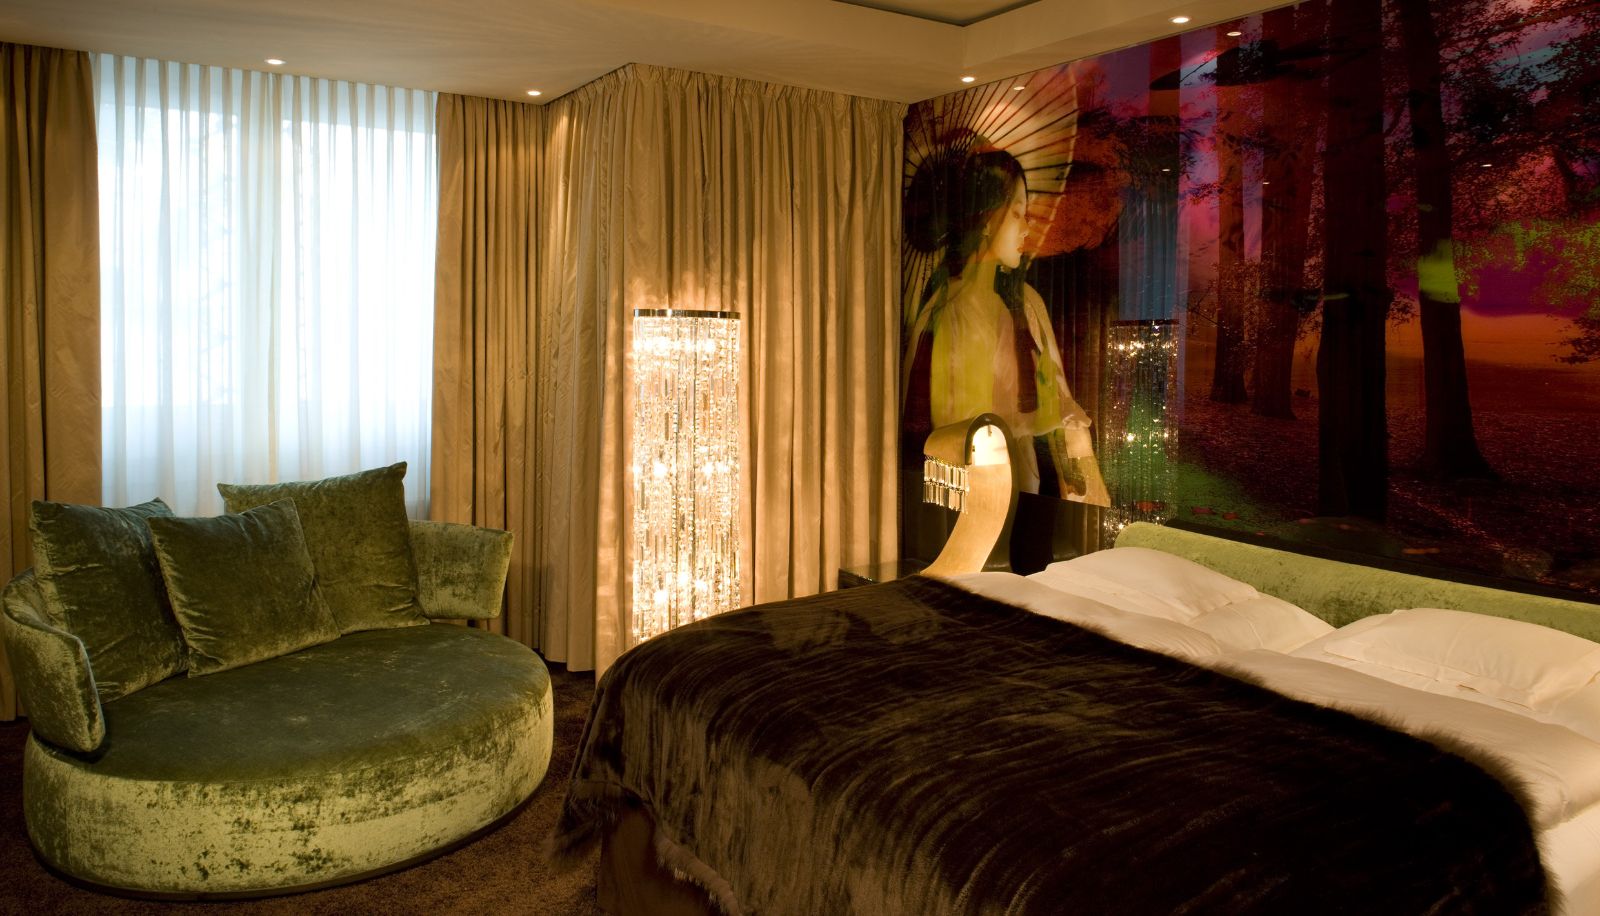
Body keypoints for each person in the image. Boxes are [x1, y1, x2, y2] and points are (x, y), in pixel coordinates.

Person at [903, 147, 1109, 505]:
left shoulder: (1025, 304)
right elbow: (954, 433)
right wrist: (1039, 420)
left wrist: (1062, 422)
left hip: (1024, 488)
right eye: (1016, 213)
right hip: (975, 496)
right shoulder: (950, 311)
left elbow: (1058, 399)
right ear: (986, 219)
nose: (1026, 229)